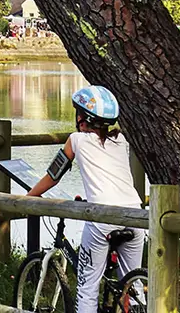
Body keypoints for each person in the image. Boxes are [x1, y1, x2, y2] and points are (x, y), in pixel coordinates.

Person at [26, 85, 140, 313]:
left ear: (83, 117)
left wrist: (29, 197)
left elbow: (53, 175)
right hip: (135, 214)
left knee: (87, 287)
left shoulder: (76, 140)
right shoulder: (121, 141)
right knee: (133, 285)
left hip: (102, 218)